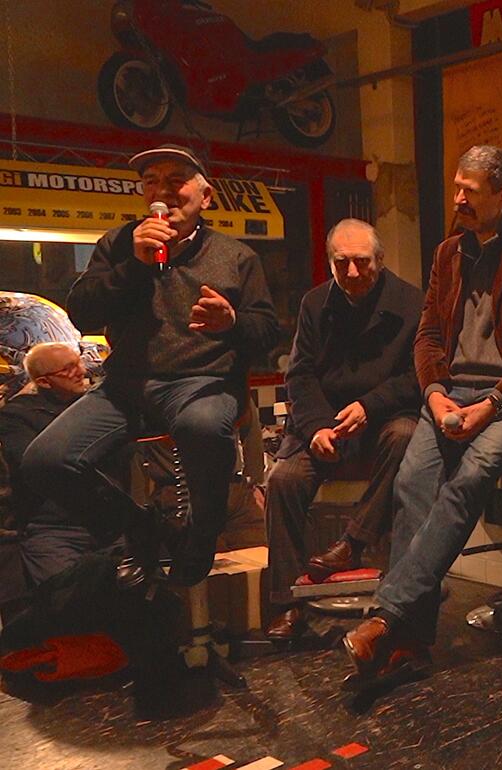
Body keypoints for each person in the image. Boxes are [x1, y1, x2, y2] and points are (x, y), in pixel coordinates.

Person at [342, 145, 502, 680]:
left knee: (468, 481)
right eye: (456, 188)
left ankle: (387, 618)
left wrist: (494, 403)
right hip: (448, 395)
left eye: (470, 191)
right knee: (411, 485)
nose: (458, 200)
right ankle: (410, 644)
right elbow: (427, 335)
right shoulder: (448, 253)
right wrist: (433, 394)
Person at [23, 143, 278, 587]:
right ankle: (140, 527)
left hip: (202, 382)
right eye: (151, 182)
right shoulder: (119, 244)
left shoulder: (237, 257)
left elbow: (267, 333)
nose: (162, 191)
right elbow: (82, 312)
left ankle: (200, 536)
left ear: (205, 196)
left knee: (203, 426)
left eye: (176, 181)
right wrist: (134, 266)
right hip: (125, 386)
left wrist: (232, 322)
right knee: (44, 460)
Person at [263, 220, 425, 641]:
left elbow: (418, 377)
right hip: (327, 422)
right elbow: (299, 375)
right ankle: (286, 601)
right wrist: (317, 425)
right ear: (330, 262)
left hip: (384, 418)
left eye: (362, 262)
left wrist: (370, 406)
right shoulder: (315, 303)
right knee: (282, 480)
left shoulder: (411, 302)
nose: (352, 272)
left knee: (406, 436)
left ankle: (353, 542)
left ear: (380, 260)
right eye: (342, 263)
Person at [0, 343, 115, 586]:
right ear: (43, 381)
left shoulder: (99, 406)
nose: (81, 372)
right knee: (67, 596)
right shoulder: (17, 415)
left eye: (78, 362)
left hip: (109, 521)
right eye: (68, 369)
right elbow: (34, 463)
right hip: (54, 527)